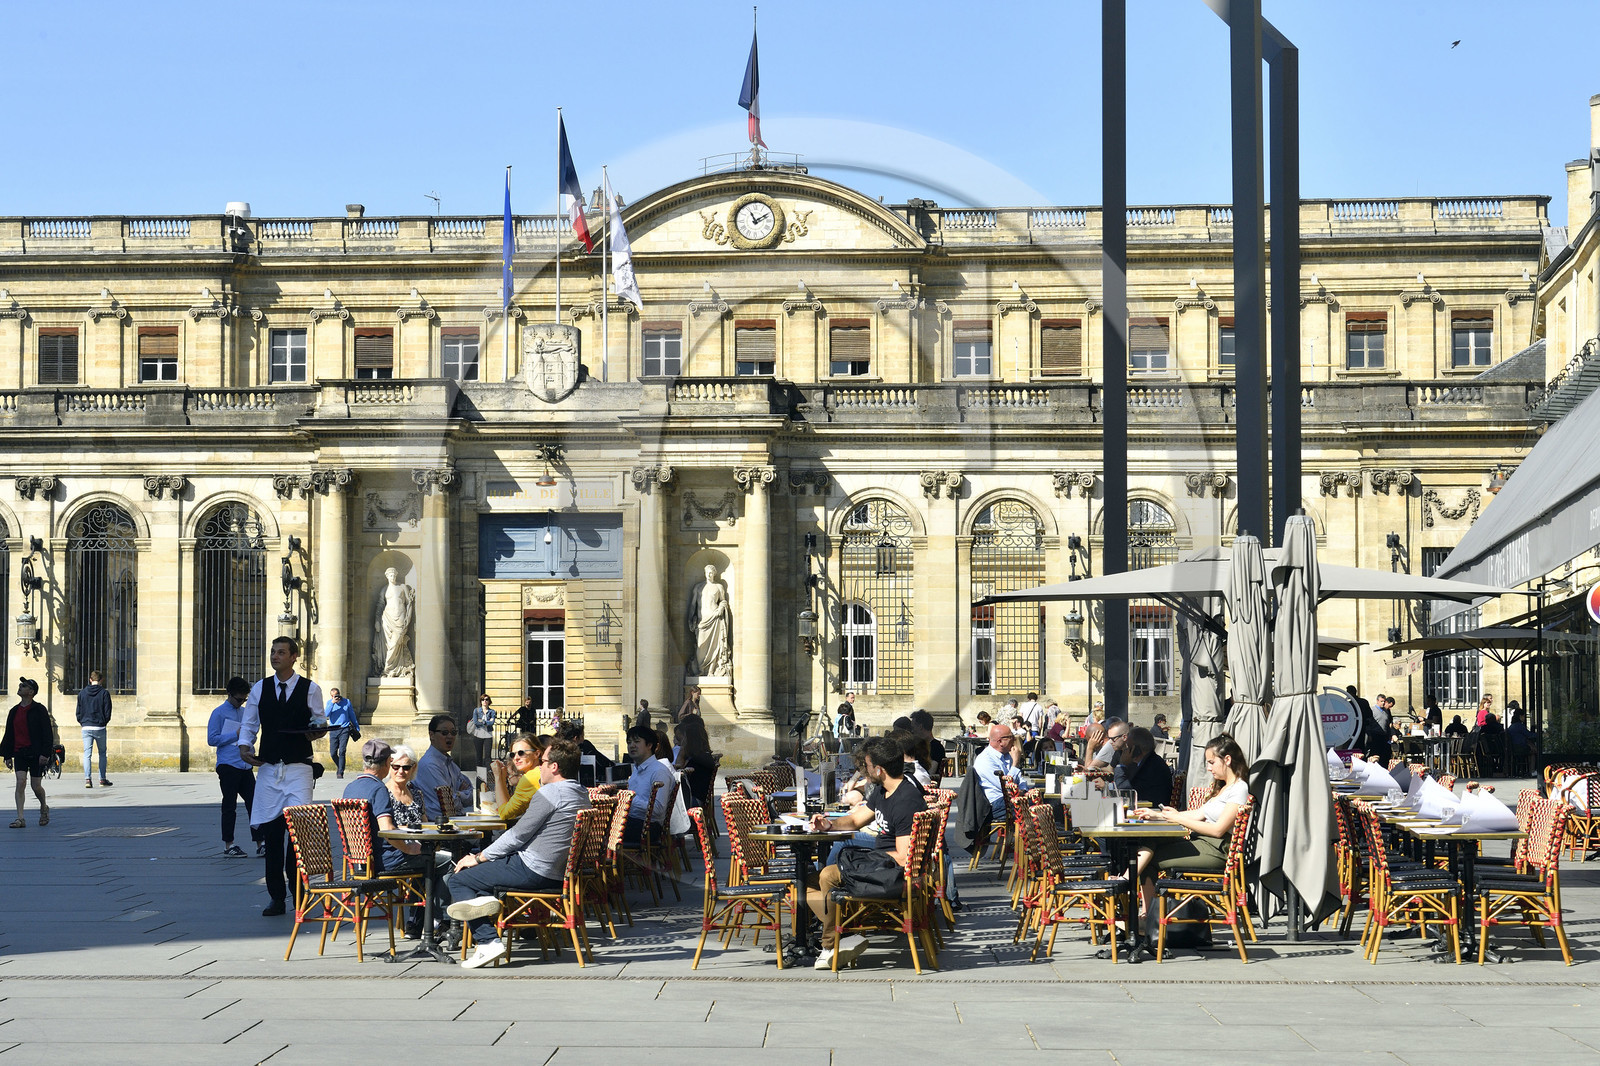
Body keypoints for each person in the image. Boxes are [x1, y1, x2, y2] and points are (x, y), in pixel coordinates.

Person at [447, 737, 592, 969]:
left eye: (543, 762)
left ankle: (487, 941)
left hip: (534, 868)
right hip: (558, 871)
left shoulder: (551, 794)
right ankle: (489, 904)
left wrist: (477, 858)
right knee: (481, 880)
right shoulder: (580, 793)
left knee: (459, 879)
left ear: (554, 767)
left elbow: (517, 836)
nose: (540, 767)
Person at [804, 735, 928, 969]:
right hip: (880, 866)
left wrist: (861, 861)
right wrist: (828, 825)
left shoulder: (905, 800)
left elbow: (903, 857)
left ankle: (831, 946)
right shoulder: (884, 791)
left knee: (828, 876)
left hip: (892, 874)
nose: (864, 771)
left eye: (867, 766)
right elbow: (854, 821)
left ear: (879, 769)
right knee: (805, 883)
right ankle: (843, 934)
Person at [1128, 733, 1250, 960]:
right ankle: (1148, 920)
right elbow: (1198, 814)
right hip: (1203, 844)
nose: (1209, 767)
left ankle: (1148, 920)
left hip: (1216, 850)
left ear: (1228, 760)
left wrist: (1177, 820)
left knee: (1152, 857)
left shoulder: (1239, 789)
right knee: (1153, 848)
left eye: (1212, 762)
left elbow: (1218, 830)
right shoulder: (1224, 787)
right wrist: (1158, 816)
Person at [237, 636, 325, 916]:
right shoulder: (261, 687)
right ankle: (276, 897)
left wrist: (318, 730)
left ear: (294, 657)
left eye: (281, 652)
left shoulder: (310, 688)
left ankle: (299, 893)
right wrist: (244, 746)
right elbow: (249, 723)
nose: (275, 656)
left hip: (299, 769)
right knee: (273, 836)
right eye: (273, 652)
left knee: (298, 834)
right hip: (269, 769)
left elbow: (320, 721)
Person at [360, 742, 452, 936]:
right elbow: (386, 829)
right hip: (397, 852)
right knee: (444, 862)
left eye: (406, 767)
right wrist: (412, 843)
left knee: (439, 858)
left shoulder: (416, 793)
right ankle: (440, 918)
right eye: (396, 766)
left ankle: (417, 921)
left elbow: (426, 824)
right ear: (389, 766)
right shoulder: (383, 793)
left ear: (413, 768)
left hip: (416, 850)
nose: (401, 771)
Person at [945, 723, 1029, 907]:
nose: (1014, 741)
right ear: (1000, 741)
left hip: (1007, 800)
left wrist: (1023, 790)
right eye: (1010, 737)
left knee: (1038, 803)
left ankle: (1029, 856)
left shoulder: (1006, 755)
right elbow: (1006, 789)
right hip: (993, 805)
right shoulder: (986, 760)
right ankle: (1028, 858)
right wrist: (1015, 764)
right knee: (1031, 812)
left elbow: (1020, 785)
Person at [207, 676, 263, 857]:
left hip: (244, 764)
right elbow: (212, 739)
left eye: (244, 699)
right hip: (228, 764)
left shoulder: (245, 712)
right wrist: (235, 734)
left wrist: (249, 738)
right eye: (239, 699)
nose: (241, 702)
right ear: (229, 695)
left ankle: (260, 843)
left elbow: (251, 734)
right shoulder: (219, 713)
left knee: (254, 804)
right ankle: (229, 845)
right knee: (229, 805)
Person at [2, 678, 53, 829]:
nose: (20, 687)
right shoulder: (14, 711)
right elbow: (9, 734)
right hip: (20, 752)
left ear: (31, 692)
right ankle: (20, 818)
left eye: (23, 686)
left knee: (36, 786)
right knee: (20, 782)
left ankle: (44, 807)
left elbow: (47, 733)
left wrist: (45, 753)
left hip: (36, 753)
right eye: (20, 685)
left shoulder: (39, 709)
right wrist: (7, 755)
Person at [623, 724, 677, 845]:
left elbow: (658, 810)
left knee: (599, 829)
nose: (632, 746)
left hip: (648, 827)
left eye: (637, 742)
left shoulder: (658, 771)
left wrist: (627, 799)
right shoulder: (637, 769)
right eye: (629, 742)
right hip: (633, 820)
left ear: (649, 745)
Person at [414, 713, 473, 823]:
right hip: (439, 824)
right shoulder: (430, 764)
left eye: (453, 732)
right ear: (432, 735)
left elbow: (472, 794)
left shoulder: (450, 764)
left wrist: (458, 794)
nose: (450, 736)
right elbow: (449, 802)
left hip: (454, 820)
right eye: (444, 732)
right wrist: (459, 795)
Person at [490, 733, 546, 821]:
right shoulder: (540, 771)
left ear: (537, 754)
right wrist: (502, 778)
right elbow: (510, 807)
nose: (516, 758)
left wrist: (498, 777)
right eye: (512, 754)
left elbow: (505, 814)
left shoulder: (529, 778)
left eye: (521, 753)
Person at [1114, 726, 1173, 808]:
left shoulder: (1151, 766)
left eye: (1128, 748)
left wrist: (1122, 764)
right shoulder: (1149, 761)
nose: (1126, 751)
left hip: (1152, 810)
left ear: (1136, 749)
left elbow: (1122, 791)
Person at [75, 669, 113, 788]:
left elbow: (78, 711)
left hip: (86, 726)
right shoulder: (104, 693)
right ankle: (102, 779)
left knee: (87, 754)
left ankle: (88, 779)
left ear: (90, 680)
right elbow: (108, 711)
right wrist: (103, 722)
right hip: (99, 727)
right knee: (102, 753)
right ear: (101, 680)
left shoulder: (82, 693)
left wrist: (82, 722)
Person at [672, 715, 716, 807]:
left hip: (693, 800)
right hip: (696, 798)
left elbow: (678, 771)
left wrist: (682, 750)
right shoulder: (701, 755)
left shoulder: (696, 759)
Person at [324, 687, 357, 779]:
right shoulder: (329, 703)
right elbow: (325, 715)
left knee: (342, 751)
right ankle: (340, 765)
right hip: (333, 729)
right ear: (331, 696)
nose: (336, 697)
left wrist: (356, 726)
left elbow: (352, 715)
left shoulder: (347, 702)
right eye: (334, 696)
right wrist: (332, 703)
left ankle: (340, 772)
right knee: (333, 753)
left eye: (337, 694)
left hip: (344, 729)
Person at [909, 709, 946, 776]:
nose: (912, 731)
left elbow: (930, 772)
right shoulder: (916, 745)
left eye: (913, 727)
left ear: (920, 727)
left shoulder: (936, 747)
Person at [469, 694, 496, 768]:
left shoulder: (492, 712)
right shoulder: (476, 710)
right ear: (480, 701)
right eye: (483, 699)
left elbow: (492, 722)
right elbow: (475, 722)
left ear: (489, 701)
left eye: (486, 699)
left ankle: (487, 774)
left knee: (488, 756)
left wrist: (482, 722)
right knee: (479, 756)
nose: (484, 701)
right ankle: (480, 776)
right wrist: (486, 722)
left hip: (488, 735)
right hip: (478, 734)